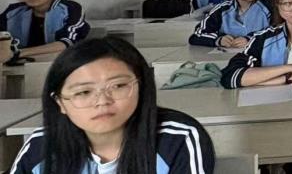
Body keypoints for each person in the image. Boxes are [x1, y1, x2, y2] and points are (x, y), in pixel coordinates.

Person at [11, 36, 214, 174]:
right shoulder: (41, 145)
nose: (102, 101)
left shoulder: (176, 138)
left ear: (141, 86)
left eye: (118, 86)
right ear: (60, 102)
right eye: (84, 92)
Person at [0, 0, 90, 56]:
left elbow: (67, 42)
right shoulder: (13, 11)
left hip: (59, 61)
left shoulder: (70, 8)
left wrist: (17, 53)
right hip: (19, 62)